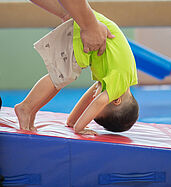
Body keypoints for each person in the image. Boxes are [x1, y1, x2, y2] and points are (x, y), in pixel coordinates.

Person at [14, 0, 139, 135]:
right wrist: (79, 128)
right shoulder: (118, 84)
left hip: (93, 25)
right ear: (116, 100)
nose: (96, 98)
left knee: (62, 78)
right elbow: (97, 102)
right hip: (92, 29)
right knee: (61, 75)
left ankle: (31, 110)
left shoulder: (124, 79)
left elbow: (90, 97)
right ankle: (25, 107)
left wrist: (73, 121)